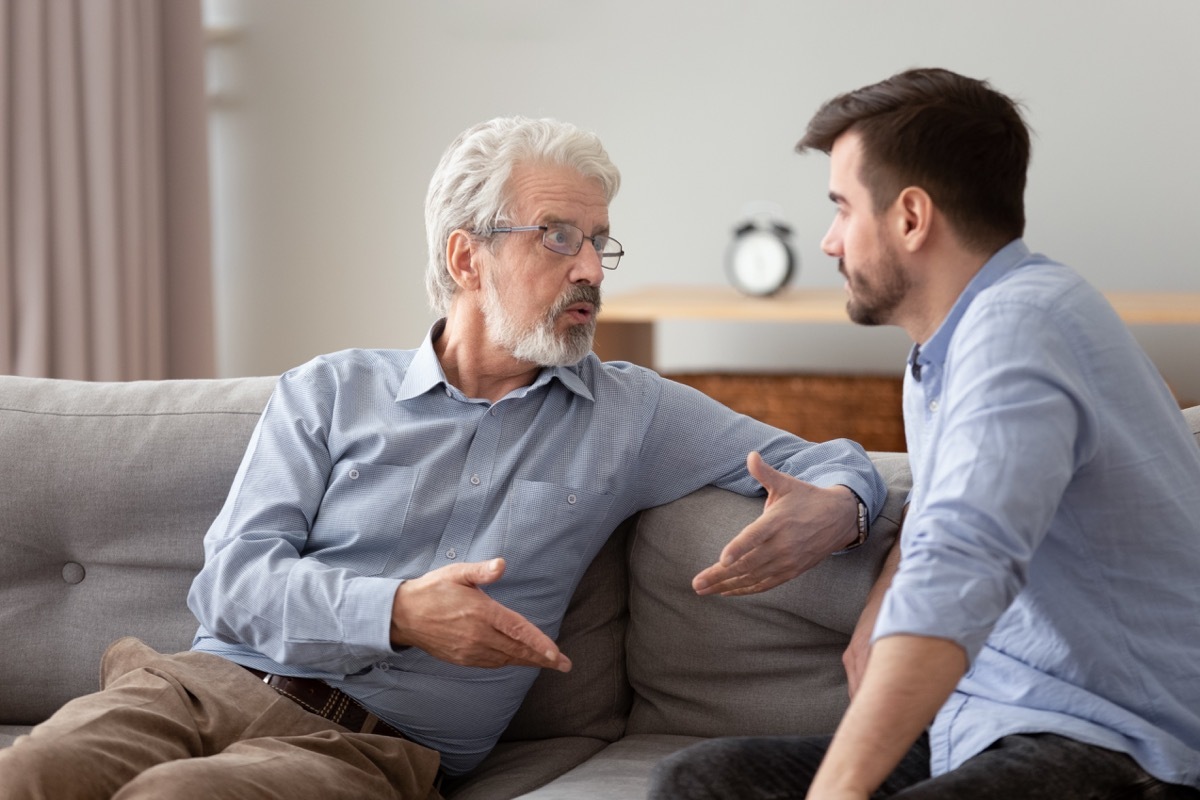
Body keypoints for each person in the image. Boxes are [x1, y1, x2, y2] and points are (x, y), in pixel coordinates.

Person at [0, 116, 886, 800]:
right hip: (198, 684)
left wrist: (840, 506)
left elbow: (841, 460)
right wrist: (399, 613)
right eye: (556, 236)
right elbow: (230, 585)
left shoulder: (634, 412)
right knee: (34, 774)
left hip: (368, 749)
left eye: (597, 240)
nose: (591, 270)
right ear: (467, 256)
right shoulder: (331, 390)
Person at [648, 68, 1200, 799]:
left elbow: (964, 565)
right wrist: (883, 596)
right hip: (983, 729)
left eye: (842, 208)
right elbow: (958, 506)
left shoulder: (1021, 327)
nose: (828, 242)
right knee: (700, 782)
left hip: (1119, 746)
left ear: (910, 217)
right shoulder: (945, 352)